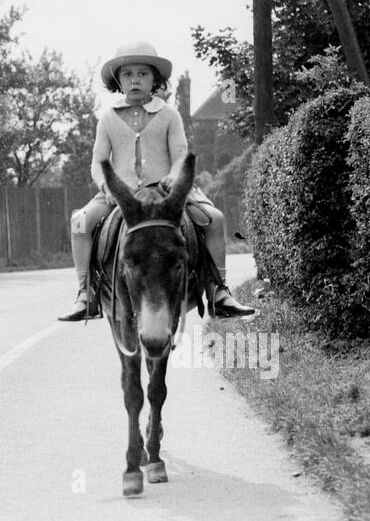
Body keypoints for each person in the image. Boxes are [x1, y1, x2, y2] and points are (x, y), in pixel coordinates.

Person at [57, 40, 256, 323]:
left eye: (142, 74)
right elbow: (98, 162)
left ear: (155, 79)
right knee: (79, 222)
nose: (135, 80)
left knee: (215, 218)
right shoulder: (108, 119)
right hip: (121, 193)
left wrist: (173, 180)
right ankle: (85, 293)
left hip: (167, 192)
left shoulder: (168, 115)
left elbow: (180, 156)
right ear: (118, 80)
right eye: (128, 74)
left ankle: (218, 292)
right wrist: (106, 187)